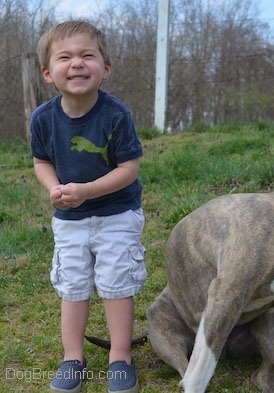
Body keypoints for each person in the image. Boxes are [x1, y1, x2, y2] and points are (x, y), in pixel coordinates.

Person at [30, 20, 146, 393]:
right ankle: (73, 357)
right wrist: (54, 188)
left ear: (105, 68)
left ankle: (120, 357)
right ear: (48, 73)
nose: (77, 63)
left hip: (118, 216)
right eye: (65, 57)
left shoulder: (116, 115)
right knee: (73, 286)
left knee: (116, 284)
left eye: (87, 56)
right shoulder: (43, 119)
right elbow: (41, 161)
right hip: (70, 220)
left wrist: (89, 190)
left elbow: (129, 169)